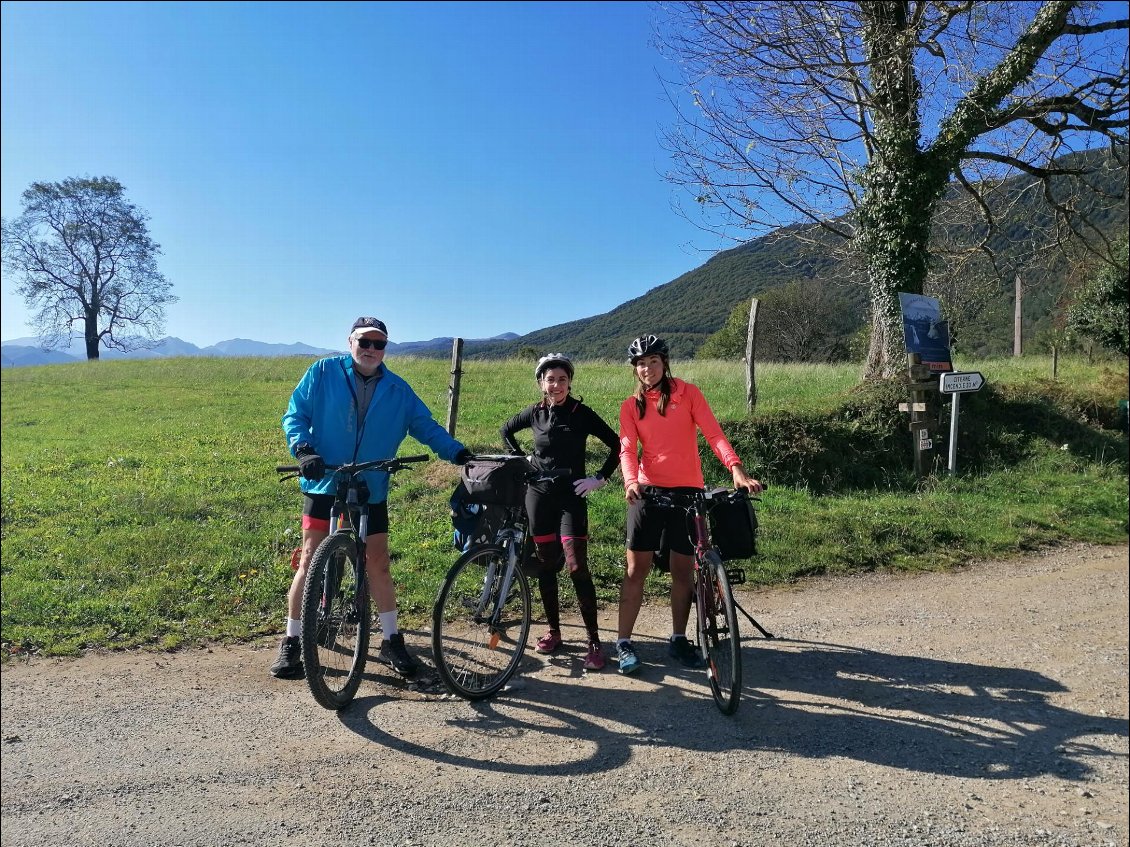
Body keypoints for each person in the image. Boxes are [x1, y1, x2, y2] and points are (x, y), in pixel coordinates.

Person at [270, 316, 471, 680]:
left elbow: (424, 426)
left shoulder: (396, 389)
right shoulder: (323, 372)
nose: (372, 350)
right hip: (324, 481)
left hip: (371, 485)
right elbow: (295, 414)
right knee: (310, 560)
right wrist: (303, 450)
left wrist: (457, 453)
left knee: (377, 563)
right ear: (350, 342)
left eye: (380, 344)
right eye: (365, 342)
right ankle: (292, 641)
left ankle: (392, 639)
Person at [614, 334, 762, 675]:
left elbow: (714, 434)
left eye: (652, 361)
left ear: (665, 363)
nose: (647, 368)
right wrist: (631, 481)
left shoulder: (688, 393)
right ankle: (623, 642)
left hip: (687, 492)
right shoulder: (631, 406)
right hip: (648, 493)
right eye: (640, 364)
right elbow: (626, 448)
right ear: (634, 370)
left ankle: (679, 638)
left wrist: (736, 469)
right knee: (637, 570)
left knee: (683, 573)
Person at [500, 353, 620, 670]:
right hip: (538, 495)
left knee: (577, 566)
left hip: (571, 494)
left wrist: (598, 478)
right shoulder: (535, 413)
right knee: (546, 566)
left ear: (569, 383)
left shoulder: (581, 413)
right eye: (550, 379)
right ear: (541, 383)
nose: (556, 385)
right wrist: (522, 459)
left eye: (562, 380)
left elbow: (617, 444)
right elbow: (506, 430)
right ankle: (554, 632)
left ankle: (594, 642)